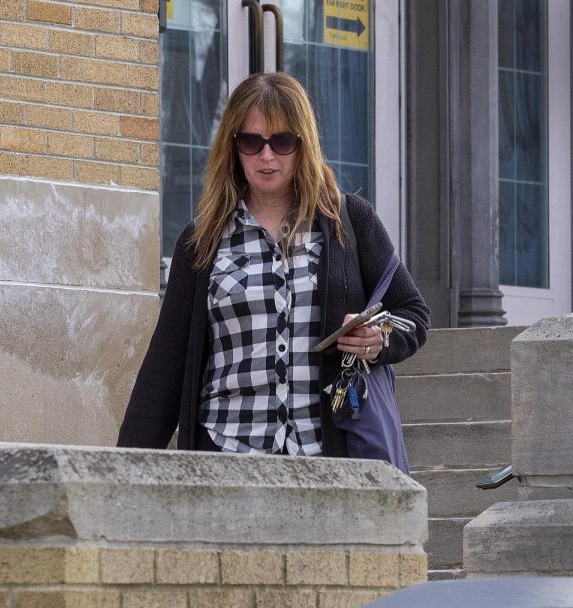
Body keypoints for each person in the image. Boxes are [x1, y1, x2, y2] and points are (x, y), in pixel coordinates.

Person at [117, 73, 429, 456]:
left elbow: (413, 313)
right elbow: (164, 370)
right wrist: (125, 466)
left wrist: (379, 338)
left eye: (282, 142)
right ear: (233, 147)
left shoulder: (349, 223)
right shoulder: (201, 241)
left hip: (325, 461)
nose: (267, 156)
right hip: (226, 458)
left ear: (303, 145)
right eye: (251, 142)